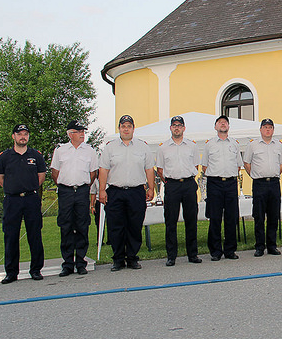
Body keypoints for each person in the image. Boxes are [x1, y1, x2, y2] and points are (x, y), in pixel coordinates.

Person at [99, 115, 155, 271]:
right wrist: (102, 190)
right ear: (119, 129)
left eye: (129, 126)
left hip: (136, 191)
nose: (126, 129)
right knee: (115, 227)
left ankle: (132, 258)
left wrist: (151, 188)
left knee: (134, 226)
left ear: (133, 129)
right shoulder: (110, 147)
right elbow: (103, 170)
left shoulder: (143, 147)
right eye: (123, 126)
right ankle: (118, 259)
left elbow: (149, 169)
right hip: (115, 192)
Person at [0, 124, 47, 284]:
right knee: (11, 236)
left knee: (35, 235)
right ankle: (11, 272)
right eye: (19, 134)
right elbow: (0, 178)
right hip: (12, 200)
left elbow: (41, 176)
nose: (23, 137)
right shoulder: (4, 157)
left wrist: (28, 188)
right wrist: (13, 189)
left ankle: (36, 270)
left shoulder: (36, 155)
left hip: (31, 199)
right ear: (13, 136)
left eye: (25, 134)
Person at [50, 120, 98, 276]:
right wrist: (66, 185)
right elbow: (55, 173)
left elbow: (93, 173)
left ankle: (81, 262)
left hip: (82, 191)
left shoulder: (90, 151)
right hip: (66, 192)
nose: (82, 134)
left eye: (83, 131)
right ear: (70, 134)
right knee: (66, 226)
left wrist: (83, 186)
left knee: (82, 225)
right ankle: (68, 263)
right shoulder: (60, 150)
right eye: (78, 132)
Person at [156, 115, 202, 265]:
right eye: (174, 125)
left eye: (179, 125)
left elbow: (196, 166)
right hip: (172, 186)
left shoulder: (192, 146)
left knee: (191, 221)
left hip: (188, 184)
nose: (177, 128)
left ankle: (192, 255)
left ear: (184, 128)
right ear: (170, 128)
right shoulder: (163, 147)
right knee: (171, 222)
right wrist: (169, 182)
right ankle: (171, 256)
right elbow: (160, 170)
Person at [201, 115, 243, 261]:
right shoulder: (209, 145)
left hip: (230, 183)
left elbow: (238, 165)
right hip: (215, 184)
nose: (223, 124)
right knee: (215, 218)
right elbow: (204, 166)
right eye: (220, 122)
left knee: (231, 217)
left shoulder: (234, 144)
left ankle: (230, 250)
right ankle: (215, 251)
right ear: (215, 127)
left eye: (225, 122)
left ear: (228, 126)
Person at [243, 118, 282, 257]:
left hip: (274, 183)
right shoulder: (253, 145)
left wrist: (273, 175)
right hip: (259, 184)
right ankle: (260, 246)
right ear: (261, 129)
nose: (268, 130)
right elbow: (247, 163)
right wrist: (255, 175)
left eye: (270, 127)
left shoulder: (278, 145)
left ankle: (272, 246)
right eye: (265, 127)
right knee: (259, 216)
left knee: (273, 216)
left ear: (273, 130)